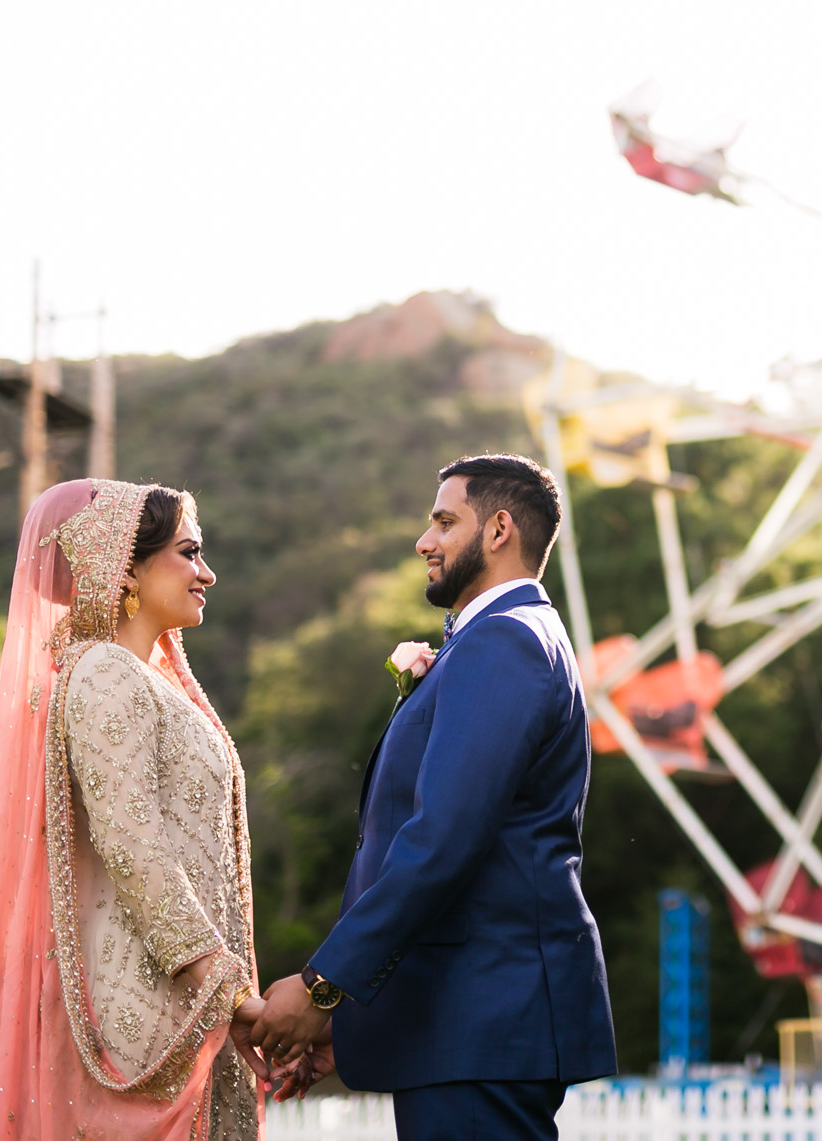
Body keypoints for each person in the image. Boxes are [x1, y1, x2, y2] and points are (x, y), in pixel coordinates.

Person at [250, 453, 616, 1139]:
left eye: (445, 521)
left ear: (501, 528)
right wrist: (360, 1018)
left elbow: (441, 841)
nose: (425, 541)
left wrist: (324, 985)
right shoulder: (507, 638)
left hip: (482, 1018)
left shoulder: (503, 641)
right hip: (463, 1022)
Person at [0, 479, 279, 1139]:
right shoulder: (103, 673)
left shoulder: (143, 677)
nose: (206, 573)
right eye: (189, 553)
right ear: (126, 564)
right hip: (154, 1006)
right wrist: (231, 991)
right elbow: (135, 848)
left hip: (189, 997)